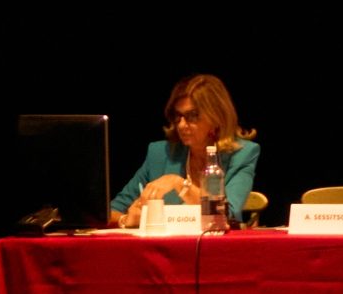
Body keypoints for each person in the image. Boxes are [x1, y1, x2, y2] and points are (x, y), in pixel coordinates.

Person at [111, 75, 262, 228]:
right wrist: (125, 219)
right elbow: (109, 211)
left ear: (216, 117)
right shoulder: (160, 154)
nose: (181, 125)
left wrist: (180, 184)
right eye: (178, 116)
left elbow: (227, 215)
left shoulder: (243, 154)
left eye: (192, 116)